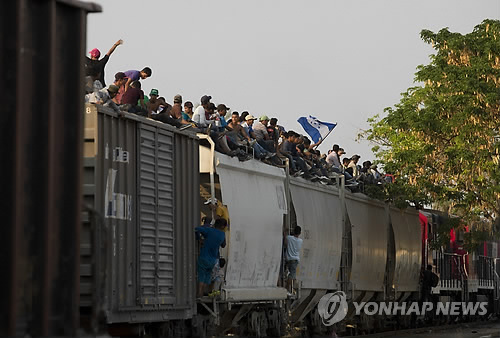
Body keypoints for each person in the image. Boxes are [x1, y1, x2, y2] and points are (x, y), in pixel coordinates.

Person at [195, 218, 227, 297]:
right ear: (223, 226)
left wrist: (198, 238)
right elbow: (223, 245)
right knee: (207, 276)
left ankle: (199, 293)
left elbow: (197, 229)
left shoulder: (209, 230)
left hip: (204, 257)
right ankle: (203, 294)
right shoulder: (222, 234)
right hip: (213, 260)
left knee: (201, 276)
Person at [284, 226, 303, 294]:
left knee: (289, 274)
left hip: (288, 259)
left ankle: (288, 288)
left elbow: (285, 238)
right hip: (295, 260)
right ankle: (287, 289)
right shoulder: (300, 241)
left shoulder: (289, 238)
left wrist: (286, 231)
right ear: (300, 233)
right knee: (292, 275)